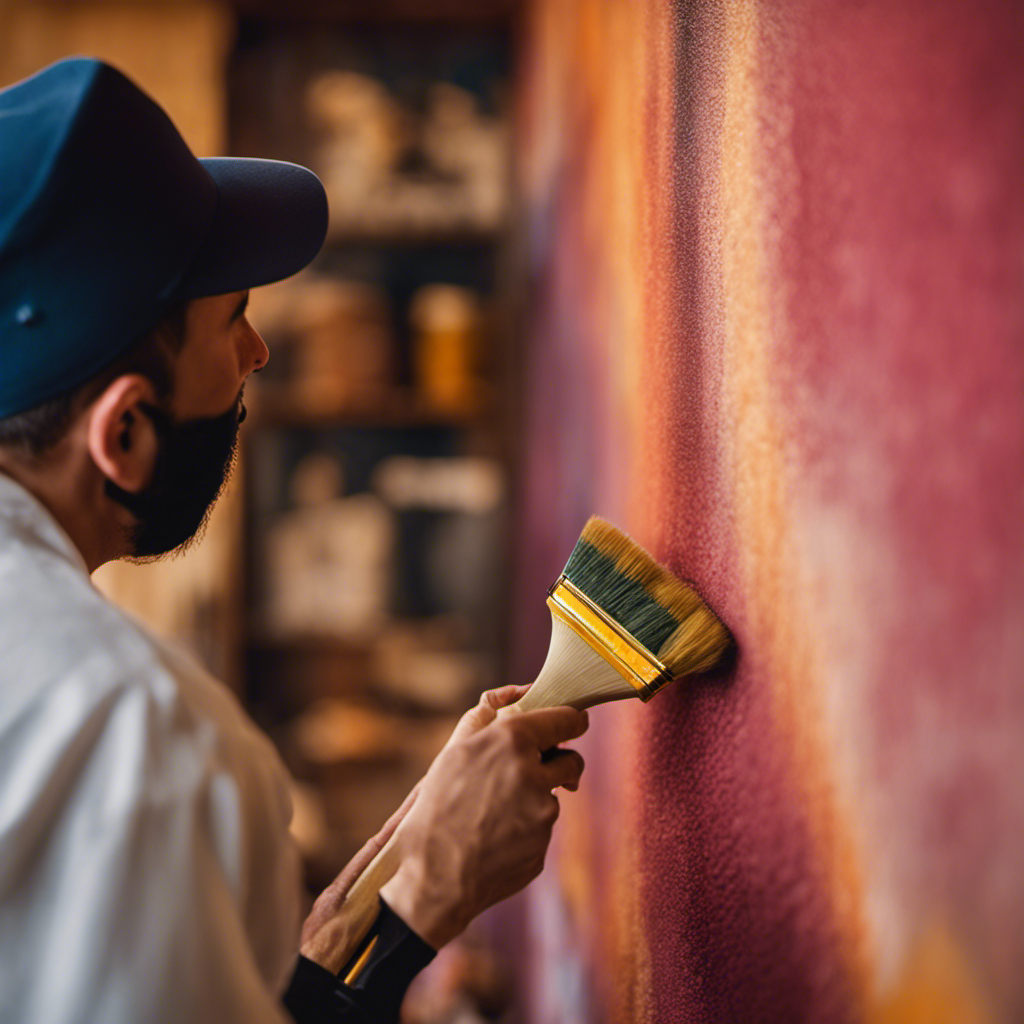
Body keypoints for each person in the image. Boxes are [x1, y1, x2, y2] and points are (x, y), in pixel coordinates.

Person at [0, 57, 588, 1024]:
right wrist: (416, 915)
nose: (259, 353)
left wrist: (322, 954)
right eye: (230, 320)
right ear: (125, 433)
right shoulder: (137, 737)